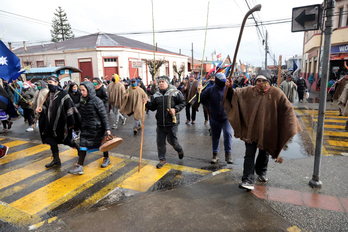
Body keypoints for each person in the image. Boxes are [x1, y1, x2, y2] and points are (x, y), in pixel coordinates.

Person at [223, 70, 302, 190]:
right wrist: (229, 87)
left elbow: (287, 108)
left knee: (263, 154)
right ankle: (247, 180)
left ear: (268, 81)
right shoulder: (249, 91)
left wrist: (290, 124)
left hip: (267, 131)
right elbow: (234, 95)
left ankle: (261, 172)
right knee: (249, 155)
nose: (260, 83)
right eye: (258, 81)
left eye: (263, 81)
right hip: (251, 132)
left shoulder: (276, 93)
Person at [36, 76, 81, 168]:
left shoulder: (63, 94)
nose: (49, 84)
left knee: (65, 140)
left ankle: (78, 148)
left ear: (57, 83)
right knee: (51, 140)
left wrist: (71, 123)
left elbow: (70, 108)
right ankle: (56, 159)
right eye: (47, 82)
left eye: (51, 82)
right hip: (49, 122)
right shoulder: (48, 94)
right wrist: (41, 109)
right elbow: (45, 106)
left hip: (61, 122)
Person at [68, 81, 112, 174]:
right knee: (82, 145)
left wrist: (107, 129)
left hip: (97, 128)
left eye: (83, 90)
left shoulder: (97, 101)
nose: (82, 92)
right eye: (81, 90)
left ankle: (106, 158)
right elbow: (77, 107)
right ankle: (80, 166)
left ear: (90, 90)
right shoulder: (82, 99)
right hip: (86, 127)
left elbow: (104, 116)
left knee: (104, 144)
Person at [143, 76, 185, 169]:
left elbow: (182, 103)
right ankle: (162, 159)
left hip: (172, 122)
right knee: (160, 142)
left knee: (172, 141)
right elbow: (153, 107)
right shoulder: (156, 95)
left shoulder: (175, 93)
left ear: (167, 83)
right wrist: (146, 103)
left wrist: (175, 109)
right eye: (159, 82)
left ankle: (179, 149)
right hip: (160, 123)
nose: (161, 83)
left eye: (163, 82)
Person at [198, 73, 233, 164]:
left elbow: (235, 98)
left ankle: (228, 154)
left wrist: (231, 87)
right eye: (222, 80)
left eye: (224, 80)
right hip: (214, 118)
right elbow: (202, 98)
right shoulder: (210, 90)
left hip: (226, 118)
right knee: (215, 137)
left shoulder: (228, 90)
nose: (223, 82)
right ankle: (215, 154)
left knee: (228, 134)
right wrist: (199, 92)